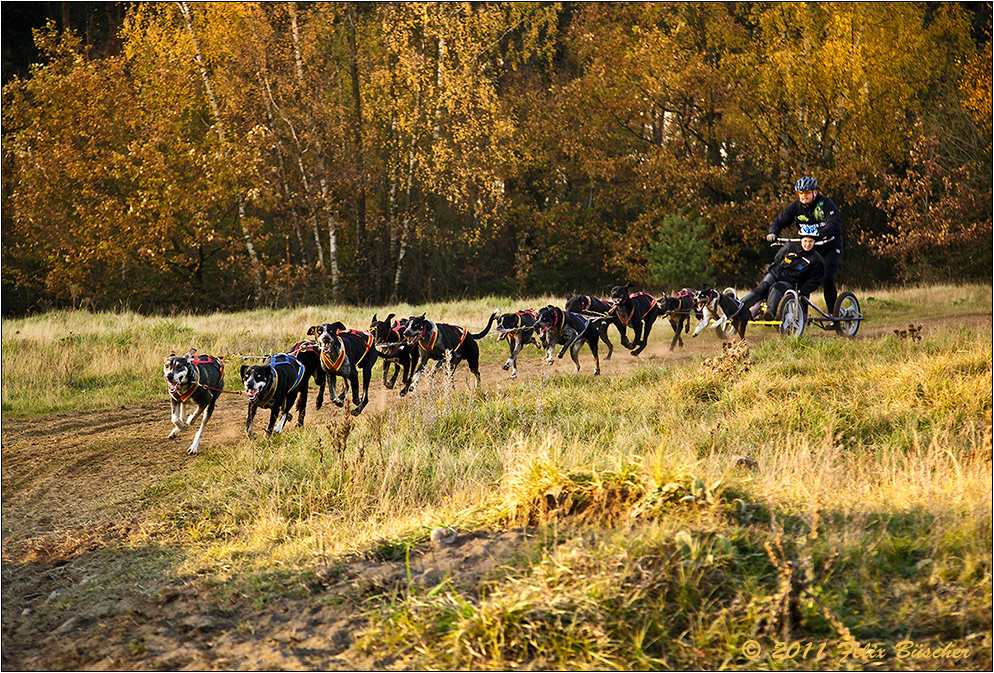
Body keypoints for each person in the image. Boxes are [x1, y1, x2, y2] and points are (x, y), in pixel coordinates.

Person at [766, 176, 842, 311]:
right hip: (810, 248)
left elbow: (834, 223)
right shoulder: (795, 207)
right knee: (803, 279)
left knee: (827, 278)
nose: (803, 196)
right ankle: (802, 316)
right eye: (801, 193)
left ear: (815, 192)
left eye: (806, 193)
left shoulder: (825, 204)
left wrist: (820, 233)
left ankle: (833, 315)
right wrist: (773, 232)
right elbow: (779, 221)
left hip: (829, 246)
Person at [735, 224, 825, 320]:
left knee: (776, 287)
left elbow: (815, 280)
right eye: (805, 241)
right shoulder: (790, 247)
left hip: (790, 282)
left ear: (814, 242)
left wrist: (802, 290)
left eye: (810, 242)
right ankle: (737, 307)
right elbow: (777, 259)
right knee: (762, 288)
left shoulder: (816, 260)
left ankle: (770, 313)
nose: (807, 244)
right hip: (775, 274)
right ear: (801, 240)